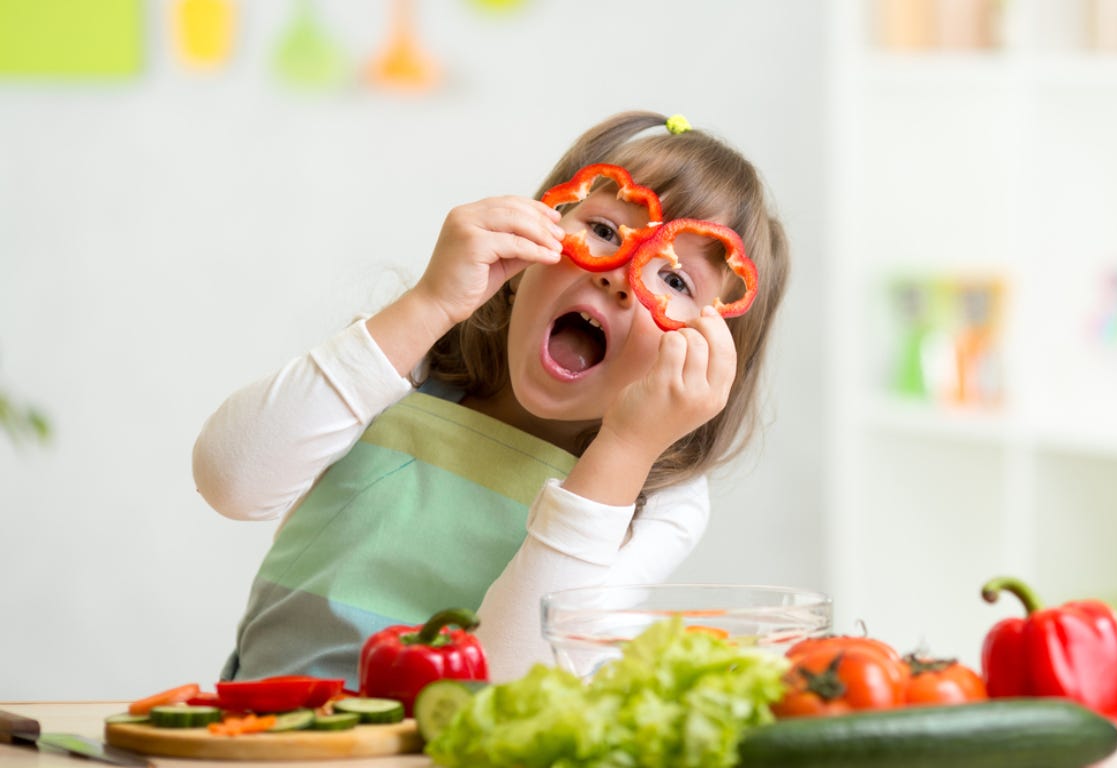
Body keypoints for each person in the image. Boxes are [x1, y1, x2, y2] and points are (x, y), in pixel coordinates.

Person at [192, 110, 791, 686]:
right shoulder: (409, 358)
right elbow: (231, 482)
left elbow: (511, 678)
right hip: (260, 737)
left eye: (675, 280)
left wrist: (627, 448)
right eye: (604, 230)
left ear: (710, 353)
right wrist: (428, 303)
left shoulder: (663, 499)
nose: (620, 275)